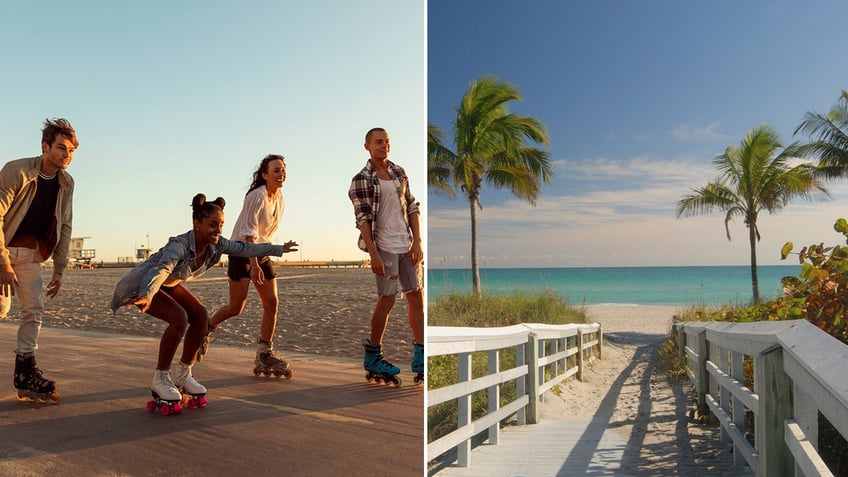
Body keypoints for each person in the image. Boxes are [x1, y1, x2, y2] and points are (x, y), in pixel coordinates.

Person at [110, 194, 295, 413]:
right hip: (141, 286)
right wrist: (148, 294)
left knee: (200, 316)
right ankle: (160, 379)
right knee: (179, 319)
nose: (218, 229)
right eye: (213, 224)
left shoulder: (215, 246)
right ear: (197, 224)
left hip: (168, 283)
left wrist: (278, 249)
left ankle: (183, 374)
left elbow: (244, 249)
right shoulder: (179, 245)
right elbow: (162, 269)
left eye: (221, 224)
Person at [0, 118, 78, 403]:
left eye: (71, 150)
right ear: (45, 146)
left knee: (34, 311)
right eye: (61, 148)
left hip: (31, 256)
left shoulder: (66, 183)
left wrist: (60, 267)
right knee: (1, 308)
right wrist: (3, 263)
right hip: (3, 251)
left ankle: (26, 372)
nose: (67, 155)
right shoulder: (16, 171)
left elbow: (65, 225)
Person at [199, 155, 297, 378]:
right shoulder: (257, 195)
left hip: (261, 250)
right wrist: (254, 266)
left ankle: (264, 353)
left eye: (283, 170)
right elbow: (248, 233)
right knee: (236, 307)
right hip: (242, 252)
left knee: (272, 303)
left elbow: (265, 234)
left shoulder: (279, 197)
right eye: (276, 170)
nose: (281, 174)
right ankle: (206, 328)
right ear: (264, 174)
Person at [348, 127, 424, 385]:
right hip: (384, 247)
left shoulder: (399, 172)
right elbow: (363, 220)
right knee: (387, 300)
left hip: (407, 244)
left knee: (416, 296)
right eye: (379, 142)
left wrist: (418, 241)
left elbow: (412, 206)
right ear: (367, 146)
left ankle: (421, 354)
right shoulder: (361, 179)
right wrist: (374, 254)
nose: (384, 146)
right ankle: (373, 357)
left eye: (387, 142)